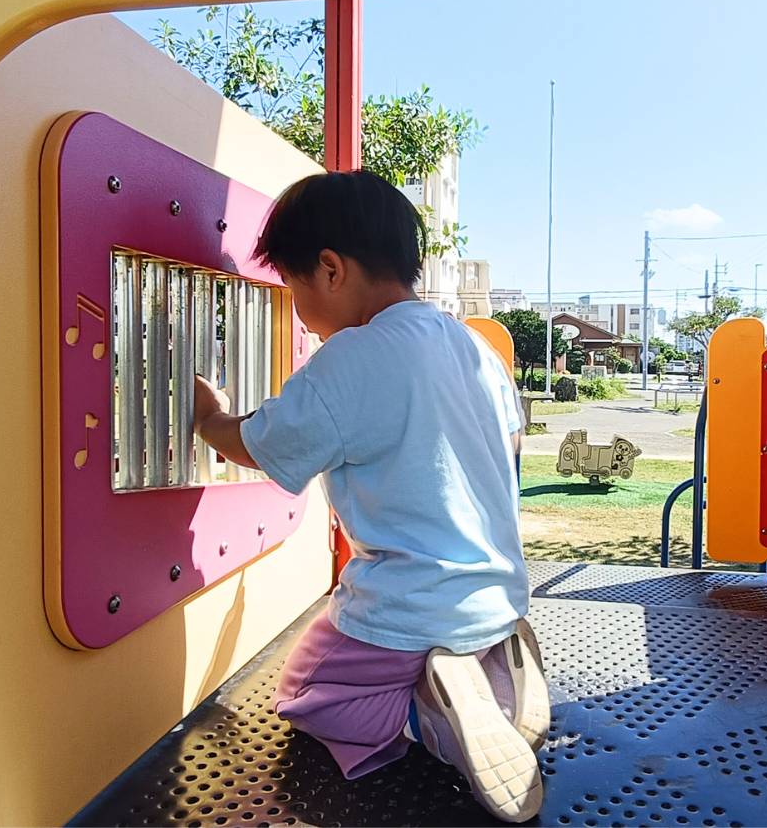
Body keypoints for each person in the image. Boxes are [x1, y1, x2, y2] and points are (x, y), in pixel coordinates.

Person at [193, 170, 550, 823]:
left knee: (305, 692)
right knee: (448, 641)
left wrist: (209, 417)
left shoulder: (351, 358)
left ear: (330, 270)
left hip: (406, 609)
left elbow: (262, 442)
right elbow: (511, 445)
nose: (297, 312)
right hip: (498, 597)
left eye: (292, 287)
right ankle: (497, 675)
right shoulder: (474, 347)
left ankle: (426, 715)